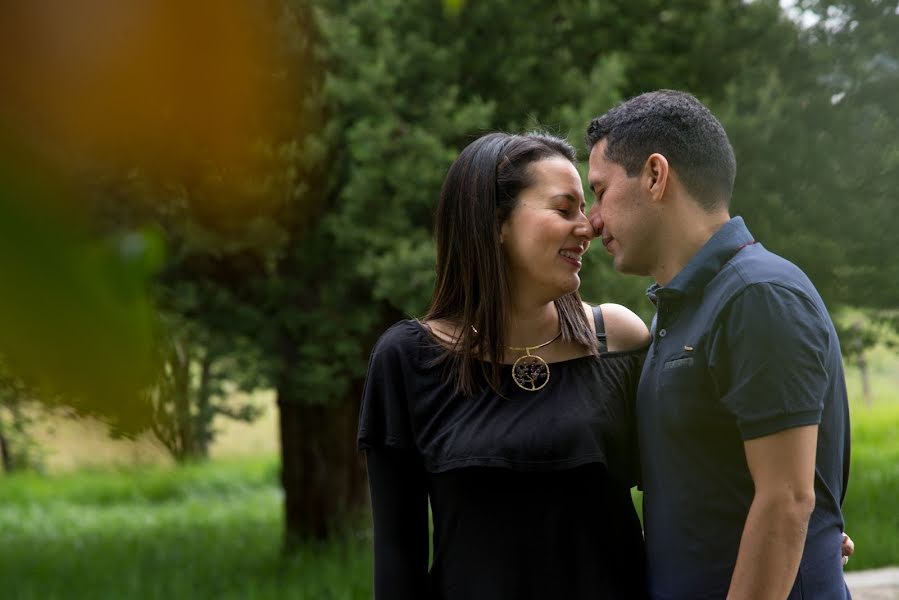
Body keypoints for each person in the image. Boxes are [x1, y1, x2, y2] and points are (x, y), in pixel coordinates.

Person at [357, 131, 652, 599]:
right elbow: (398, 563)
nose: (588, 226)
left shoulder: (619, 339)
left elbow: (681, 509)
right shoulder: (407, 360)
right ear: (495, 222)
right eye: (563, 208)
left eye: (584, 206)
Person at [585, 90, 852, 599]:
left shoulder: (757, 295)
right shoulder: (682, 308)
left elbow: (788, 500)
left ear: (656, 176)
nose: (593, 220)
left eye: (600, 191)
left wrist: (808, 537)